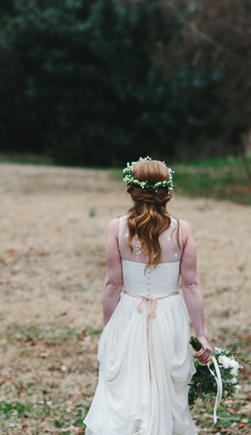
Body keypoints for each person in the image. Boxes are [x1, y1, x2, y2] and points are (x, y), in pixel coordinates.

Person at [84, 157, 213, 435]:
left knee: (127, 390)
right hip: (170, 315)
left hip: (129, 313)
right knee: (165, 389)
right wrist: (200, 334)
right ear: (167, 189)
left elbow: (112, 285)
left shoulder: (116, 228)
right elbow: (190, 285)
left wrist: (110, 329)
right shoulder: (183, 230)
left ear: (132, 188)